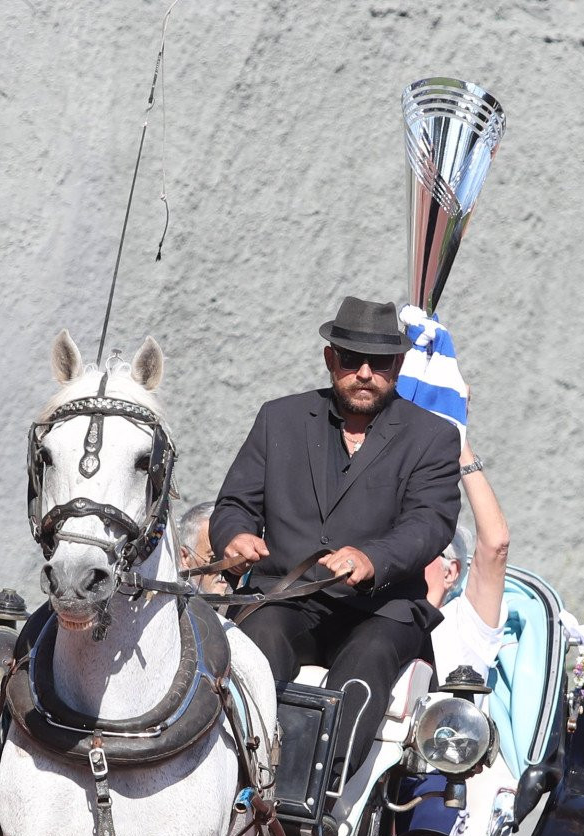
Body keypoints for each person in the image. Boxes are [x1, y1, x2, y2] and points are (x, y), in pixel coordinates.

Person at [211, 296, 462, 769]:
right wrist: (235, 535)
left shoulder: (432, 436)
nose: (364, 372)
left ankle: (316, 798)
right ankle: (238, 781)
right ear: (331, 359)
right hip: (286, 596)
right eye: (351, 359)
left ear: (399, 364)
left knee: (366, 662)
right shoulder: (278, 418)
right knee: (256, 640)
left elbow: (430, 521)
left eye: (380, 362)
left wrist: (373, 558)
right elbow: (235, 505)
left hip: (380, 608)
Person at [424, 433, 510, 680]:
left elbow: (496, 546)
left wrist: (455, 436)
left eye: (422, 550)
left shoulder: (463, 623)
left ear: (450, 571)